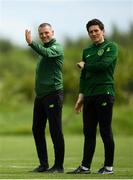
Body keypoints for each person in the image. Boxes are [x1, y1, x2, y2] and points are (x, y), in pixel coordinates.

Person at [67, 19, 118, 174]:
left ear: (103, 31)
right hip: (89, 95)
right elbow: (84, 77)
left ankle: (108, 167)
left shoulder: (111, 47)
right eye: (91, 32)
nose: (94, 33)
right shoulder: (87, 51)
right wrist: (80, 96)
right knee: (88, 132)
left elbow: (103, 65)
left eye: (96, 30)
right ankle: (85, 167)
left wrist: (86, 65)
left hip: (104, 93)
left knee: (105, 131)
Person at [25, 23, 65, 173]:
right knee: (37, 129)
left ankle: (59, 166)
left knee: (55, 130)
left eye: (46, 33)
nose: (44, 36)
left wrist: (31, 43)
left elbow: (46, 53)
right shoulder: (44, 51)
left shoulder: (56, 48)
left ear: (52, 32)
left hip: (53, 94)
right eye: (41, 34)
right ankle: (43, 164)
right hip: (41, 96)